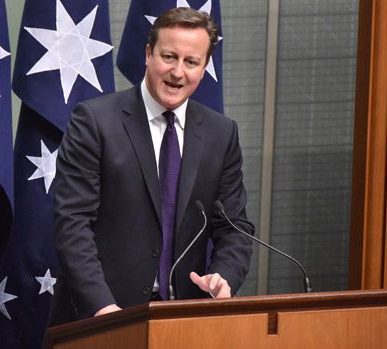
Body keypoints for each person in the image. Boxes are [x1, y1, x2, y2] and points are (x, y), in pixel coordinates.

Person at [51, 7, 254, 324]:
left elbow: (236, 229)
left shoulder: (221, 133)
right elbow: (73, 223)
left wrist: (223, 277)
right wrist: (103, 309)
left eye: (191, 62)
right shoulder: (94, 122)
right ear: (148, 54)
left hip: (185, 319)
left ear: (204, 68)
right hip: (103, 316)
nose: (177, 72)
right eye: (169, 57)